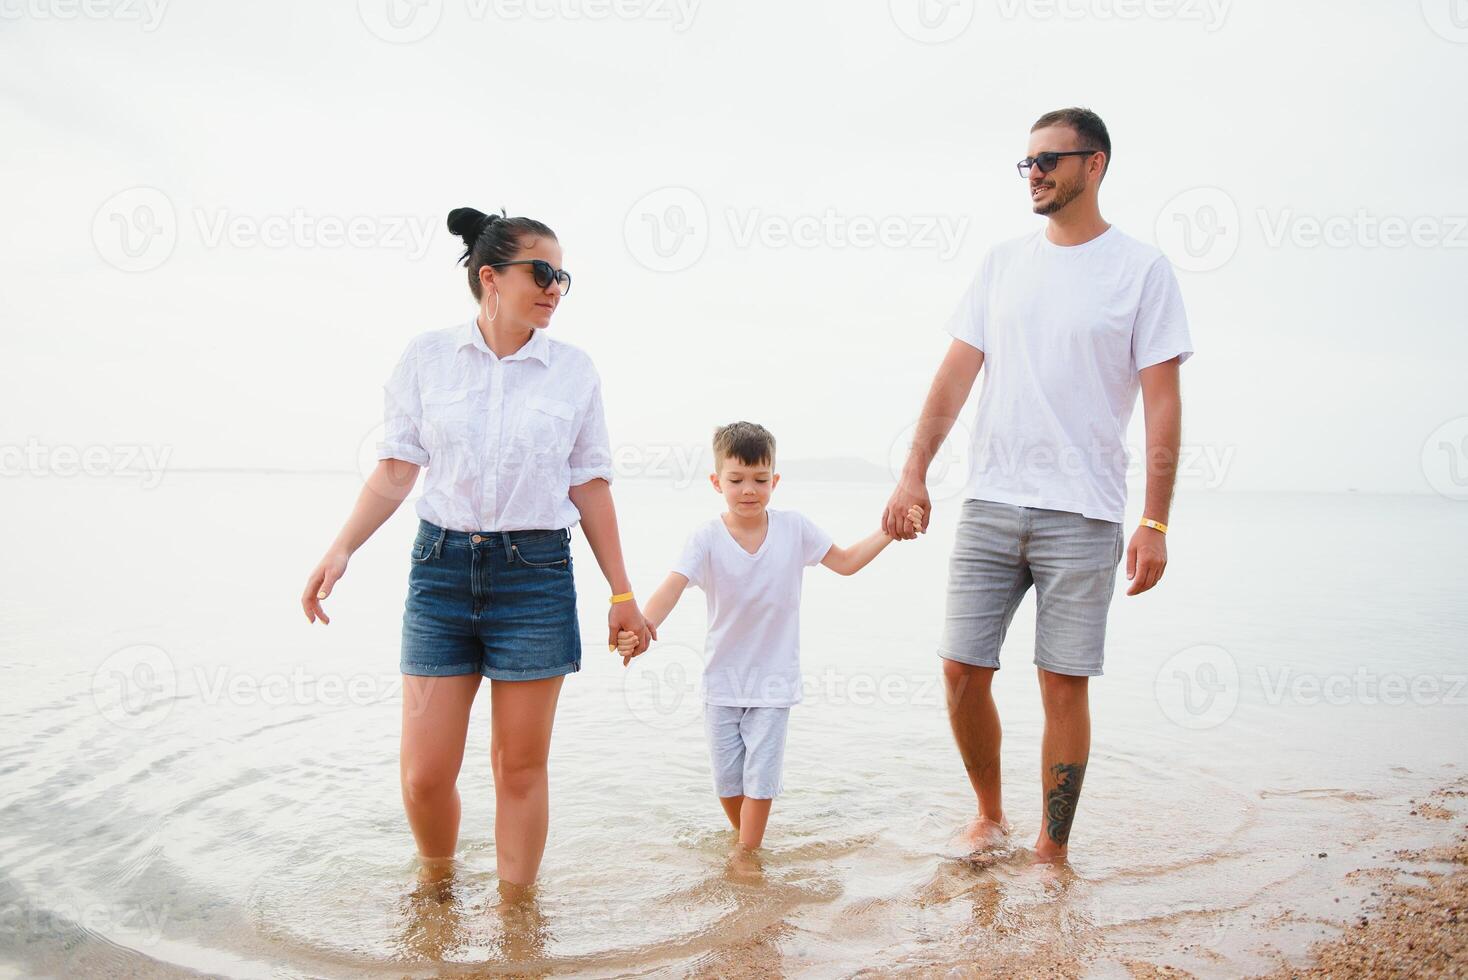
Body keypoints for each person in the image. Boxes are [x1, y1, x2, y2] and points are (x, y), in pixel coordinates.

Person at [300, 206, 655, 894]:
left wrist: (622, 593)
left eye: (564, 277)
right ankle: (435, 892)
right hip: (441, 575)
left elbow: (589, 485)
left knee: (518, 769)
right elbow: (398, 469)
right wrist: (341, 548)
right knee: (424, 773)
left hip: (537, 577)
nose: (556, 287)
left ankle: (518, 919)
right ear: (490, 277)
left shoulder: (574, 371)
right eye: (543, 272)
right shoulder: (427, 358)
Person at [883, 107, 1195, 862]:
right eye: (1026, 162)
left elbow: (1163, 403)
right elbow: (954, 376)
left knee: (1063, 686)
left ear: (1096, 165)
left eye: (1050, 160)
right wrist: (913, 471)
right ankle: (988, 814)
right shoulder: (1001, 263)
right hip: (990, 500)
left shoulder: (1142, 270)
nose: (1035, 174)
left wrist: (1154, 522)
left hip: (1084, 513)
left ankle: (1051, 850)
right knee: (960, 670)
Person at [618, 421, 923, 854]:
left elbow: (848, 562)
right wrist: (642, 627)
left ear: (774, 481)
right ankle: (749, 844)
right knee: (727, 781)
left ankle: (747, 856)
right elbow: (672, 586)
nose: (748, 490)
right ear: (716, 481)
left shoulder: (794, 528)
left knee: (760, 780)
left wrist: (890, 531)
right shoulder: (705, 538)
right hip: (722, 683)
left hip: (773, 683)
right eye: (736, 480)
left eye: (760, 480)